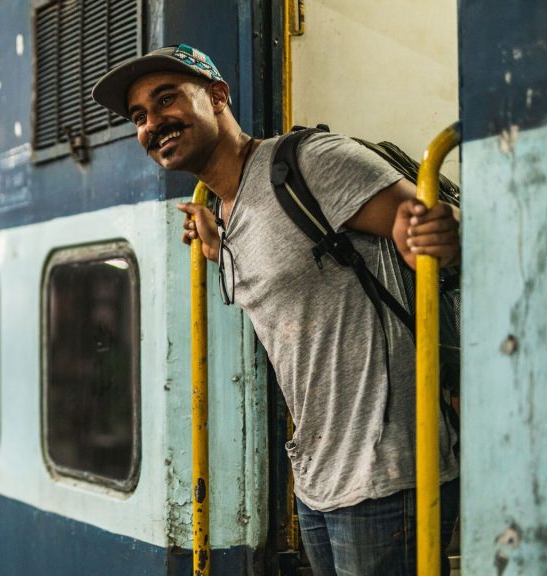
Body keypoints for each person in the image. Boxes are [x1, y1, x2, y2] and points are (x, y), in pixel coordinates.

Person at [92, 44, 460, 575]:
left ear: (218, 95)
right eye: (139, 116)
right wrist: (221, 247)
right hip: (316, 481)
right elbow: (283, 281)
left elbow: (426, 230)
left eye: (167, 99)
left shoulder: (311, 163)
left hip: (385, 467)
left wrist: (434, 231)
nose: (153, 123)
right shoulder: (223, 208)